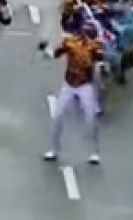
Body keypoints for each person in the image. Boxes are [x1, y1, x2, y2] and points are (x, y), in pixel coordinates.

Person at [41, 24, 103, 165]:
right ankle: (54, 149)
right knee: (57, 116)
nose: (88, 38)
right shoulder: (70, 43)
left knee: (90, 119)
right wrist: (45, 50)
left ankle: (94, 151)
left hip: (85, 85)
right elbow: (54, 54)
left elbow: (101, 61)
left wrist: (102, 66)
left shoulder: (95, 47)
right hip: (69, 84)